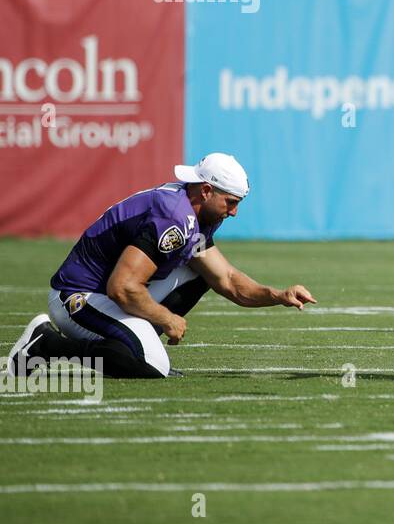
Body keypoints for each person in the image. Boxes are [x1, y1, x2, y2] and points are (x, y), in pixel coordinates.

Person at [5, 153, 316, 379]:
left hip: (105, 293)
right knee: (154, 365)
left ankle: (133, 342)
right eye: (230, 202)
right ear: (206, 191)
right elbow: (122, 286)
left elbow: (229, 280)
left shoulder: (193, 213)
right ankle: (46, 344)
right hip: (78, 297)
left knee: (201, 272)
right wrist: (167, 318)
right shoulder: (175, 217)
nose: (233, 212)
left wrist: (278, 295)